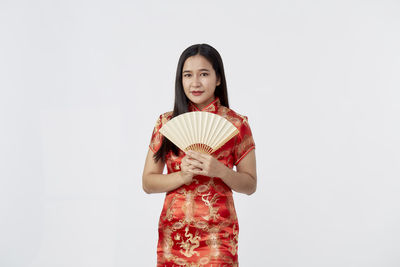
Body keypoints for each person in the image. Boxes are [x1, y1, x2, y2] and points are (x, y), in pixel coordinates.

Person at [142, 43, 257, 266]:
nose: (195, 83)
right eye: (188, 75)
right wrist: (181, 176)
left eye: (204, 74)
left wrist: (221, 171)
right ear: (180, 80)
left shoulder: (236, 124)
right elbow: (148, 182)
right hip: (173, 233)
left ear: (218, 78)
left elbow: (250, 184)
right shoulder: (165, 124)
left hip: (218, 234)